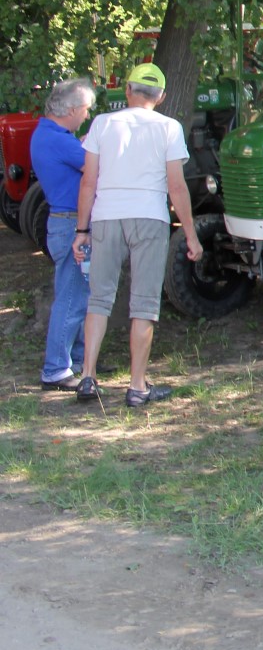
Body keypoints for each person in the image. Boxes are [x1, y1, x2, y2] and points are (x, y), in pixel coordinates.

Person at [72, 63, 202, 408]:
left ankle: (87, 376)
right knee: (143, 304)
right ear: (160, 97)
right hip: (149, 216)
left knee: (99, 298)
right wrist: (191, 234)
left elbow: (88, 182)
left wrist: (81, 230)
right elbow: (176, 186)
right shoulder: (169, 128)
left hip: (105, 216)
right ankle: (137, 386)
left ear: (128, 91)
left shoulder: (101, 123)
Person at [31, 78, 96, 391]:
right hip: (72, 223)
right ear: (71, 109)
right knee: (71, 296)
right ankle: (57, 368)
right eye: (85, 110)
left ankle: (79, 358)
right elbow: (94, 166)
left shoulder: (48, 133)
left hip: (64, 220)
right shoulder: (59, 140)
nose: (86, 116)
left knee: (78, 294)